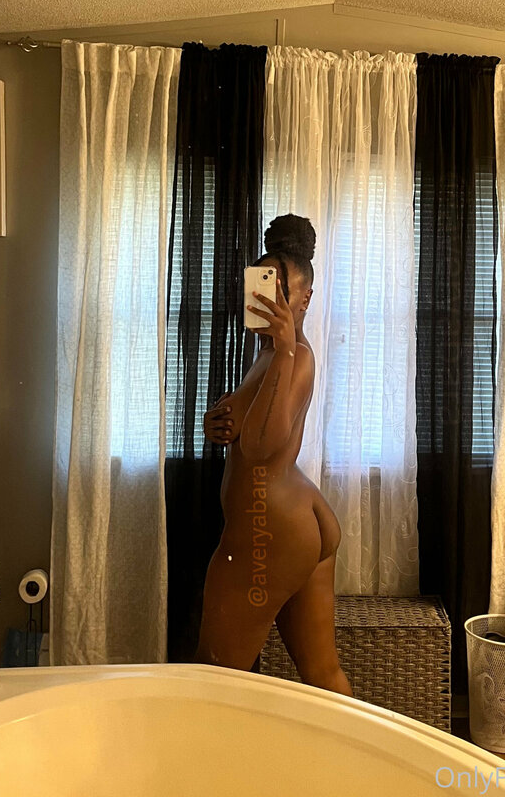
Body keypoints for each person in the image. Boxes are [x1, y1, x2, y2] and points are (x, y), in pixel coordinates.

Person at [194, 214, 353, 697]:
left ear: (305, 300)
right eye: (259, 284)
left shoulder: (293, 355)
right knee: (322, 675)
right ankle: (342, 748)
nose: (266, 299)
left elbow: (262, 448)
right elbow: (261, 432)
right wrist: (219, 422)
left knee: (216, 678)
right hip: (293, 519)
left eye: (281, 291)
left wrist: (284, 349)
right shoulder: (266, 354)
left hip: (267, 533)